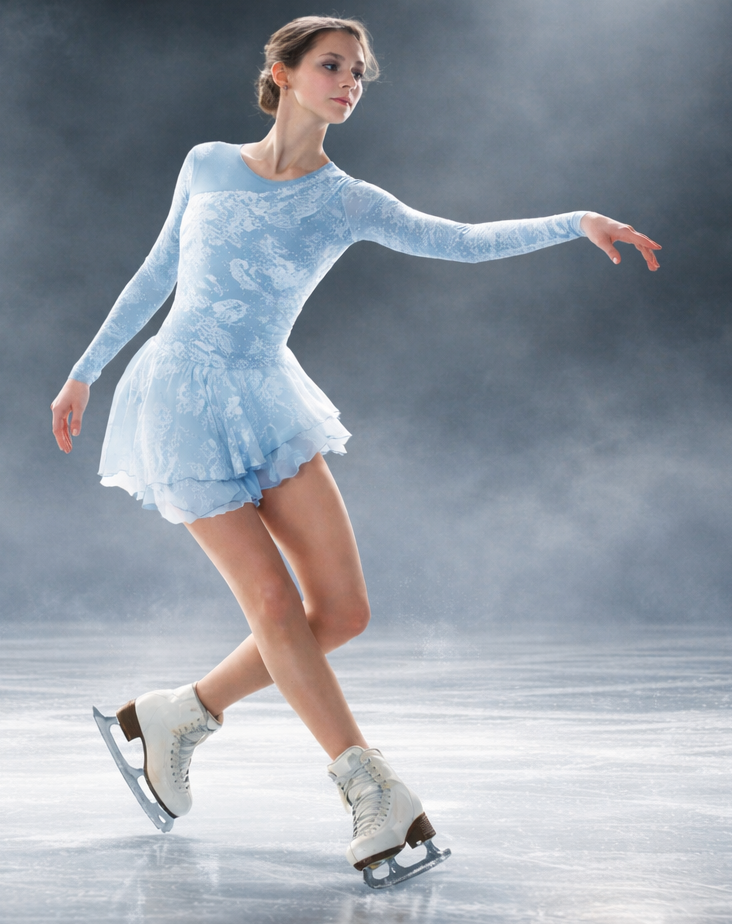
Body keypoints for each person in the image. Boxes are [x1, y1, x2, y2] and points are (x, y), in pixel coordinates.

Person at [50, 16, 660, 888]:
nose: (349, 83)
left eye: (360, 74)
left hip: (264, 392)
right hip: (181, 395)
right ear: (283, 71)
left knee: (341, 613)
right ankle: (370, 788)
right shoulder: (207, 162)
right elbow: (156, 273)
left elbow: (462, 239)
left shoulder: (348, 199)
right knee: (271, 599)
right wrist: (83, 373)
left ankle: (175, 716)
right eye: (333, 66)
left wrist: (577, 221)